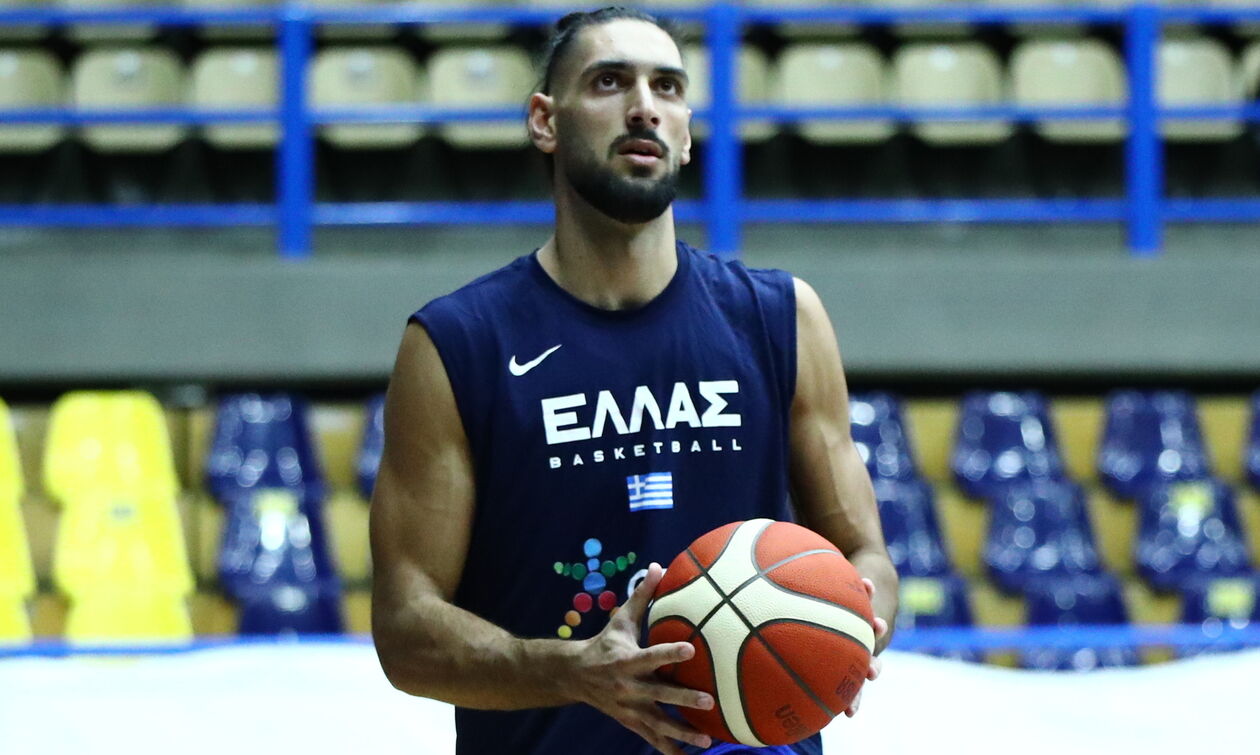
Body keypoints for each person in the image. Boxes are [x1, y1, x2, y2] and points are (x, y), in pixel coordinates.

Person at [369, 7, 898, 755]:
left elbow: (865, 554)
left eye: (668, 87)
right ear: (545, 121)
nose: (644, 106)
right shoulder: (458, 344)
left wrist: (847, 624)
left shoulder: (781, 316)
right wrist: (571, 670)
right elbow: (405, 630)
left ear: (686, 132)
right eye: (609, 82)